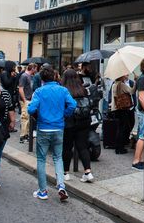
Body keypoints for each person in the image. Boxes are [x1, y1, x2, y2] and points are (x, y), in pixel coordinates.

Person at [28, 66, 76, 201]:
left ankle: (43, 191)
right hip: (59, 127)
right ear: (55, 76)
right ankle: (61, 185)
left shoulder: (39, 91)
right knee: (58, 157)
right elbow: (72, 105)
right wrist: (64, 115)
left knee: (41, 159)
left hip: (43, 128)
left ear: (42, 78)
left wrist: (37, 113)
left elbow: (31, 109)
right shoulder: (63, 90)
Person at [61, 69, 94, 182]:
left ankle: (65, 173)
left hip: (69, 122)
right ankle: (88, 172)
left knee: (67, 148)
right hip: (83, 121)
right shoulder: (82, 89)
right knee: (83, 147)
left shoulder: (64, 90)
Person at [111, 74, 136, 154]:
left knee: (119, 128)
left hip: (116, 108)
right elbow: (132, 91)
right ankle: (120, 148)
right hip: (123, 108)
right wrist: (135, 82)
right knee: (122, 128)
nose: (126, 76)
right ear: (121, 76)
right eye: (125, 75)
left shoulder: (114, 84)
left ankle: (118, 147)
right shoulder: (122, 85)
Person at [18, 63, 37, 144]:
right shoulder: (24, 76)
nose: (36, 70)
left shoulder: (30, 76)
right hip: (25, 99)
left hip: (29, 99)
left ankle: (26, 135)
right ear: (32, 68)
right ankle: (23, 136)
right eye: (36, 68)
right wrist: (24, 99)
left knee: (28, 118)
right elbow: (20, 88)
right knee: (25, 117)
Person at [0, 61, 18, 132]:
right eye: (13, 66)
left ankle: (10, 126)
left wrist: (14, 77)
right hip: (6, 94)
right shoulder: (4, 73)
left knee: (11, 110)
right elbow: (7, 83)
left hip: (10, 94)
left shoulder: (9, 73)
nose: (14, 68)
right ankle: (7, 126)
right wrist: (12, 77)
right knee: (7, 110)